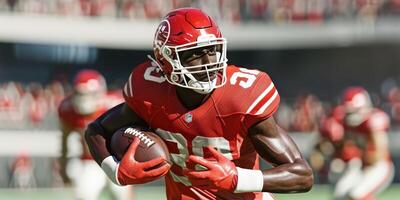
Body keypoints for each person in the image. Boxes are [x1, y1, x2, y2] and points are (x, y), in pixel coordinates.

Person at [85, 8, 313, 200]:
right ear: (165, 60)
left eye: (212, 50)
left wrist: (237, 178)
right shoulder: (150, 93)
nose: (208, 63)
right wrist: (114, 171)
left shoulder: (240, 96)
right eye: (193, 54)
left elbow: (302, 175)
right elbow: (96, 130)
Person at [58, 69, 132, 200]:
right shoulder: (68, 109)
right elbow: (65, 138)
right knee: (84, 195)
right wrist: (63, 167)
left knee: (121, 195)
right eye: (80, 94)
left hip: (118, 158)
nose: (83, 99)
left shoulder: (114, 105)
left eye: (87, 94)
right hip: (91, 160)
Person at [318, 86, 394, 200]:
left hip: (379, 166)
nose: (350, 116)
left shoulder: (373, 121)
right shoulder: (344, 122)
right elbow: (345, 146)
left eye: (353, 111)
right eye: (348, 112)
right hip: (360, 165)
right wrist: (342, 160)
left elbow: (379, 154)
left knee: (357, 195)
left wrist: (357, 160)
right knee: (340, 196)